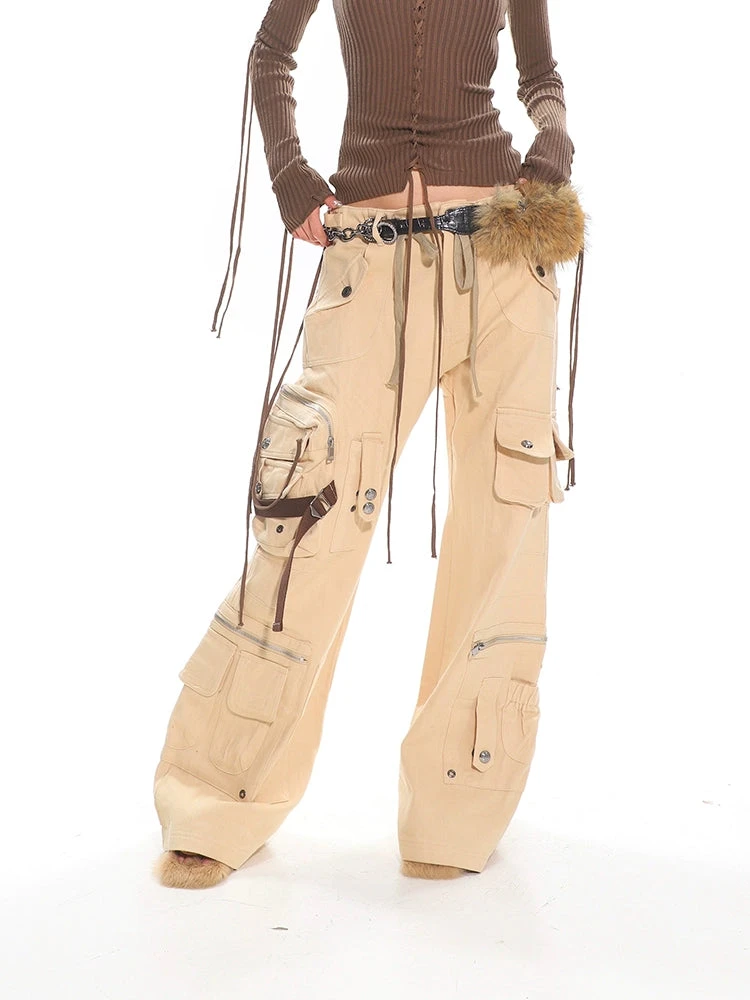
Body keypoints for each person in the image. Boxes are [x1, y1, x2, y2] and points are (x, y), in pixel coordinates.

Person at [152, 0, 587, 890]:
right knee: (307, 526)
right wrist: (288, 169)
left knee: (502, 531)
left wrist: (554, 139)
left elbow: (540, 79)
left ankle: (457, 807)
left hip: (503, 258)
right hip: (370, 256)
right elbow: (272, 53)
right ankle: (219, 792)